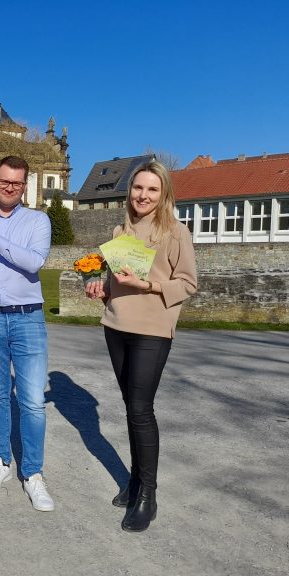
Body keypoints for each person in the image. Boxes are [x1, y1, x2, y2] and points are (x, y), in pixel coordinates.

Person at [85, 160, 197, 532]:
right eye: (138, 188)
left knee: (140, 409)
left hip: (152, 329)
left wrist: (148, 286)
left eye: (152, 189)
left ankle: (147, 494)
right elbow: (116, 282)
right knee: (131, 407)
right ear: (129, 191)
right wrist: (102, 290)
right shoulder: (120, 231)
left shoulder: (175, 232)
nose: (143, 196)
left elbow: (188, 284)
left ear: (163, 194)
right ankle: (134, 481)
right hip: (116, 325)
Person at [0, 155, 55, 511]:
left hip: (27, 317)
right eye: (4, 181)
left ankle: (33, 473)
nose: (9, 188)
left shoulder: (38, 220)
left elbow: (34, 262)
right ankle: (1, 461)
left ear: (25, 186)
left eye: (17, 183)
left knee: (33, 400)